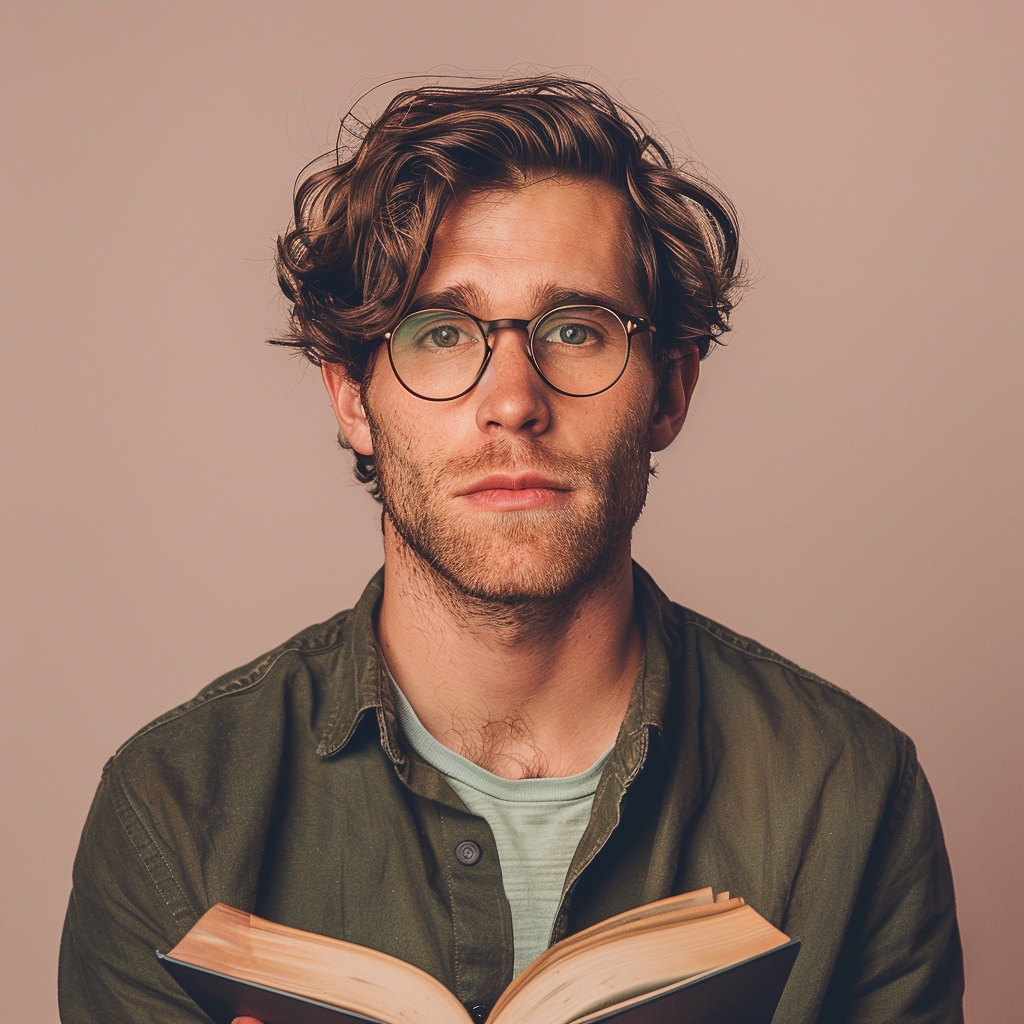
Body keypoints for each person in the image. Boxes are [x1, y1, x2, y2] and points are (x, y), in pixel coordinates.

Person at [58, 76, 964, 1024]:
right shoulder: (169, 810)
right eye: (441, 333)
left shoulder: (851, 795)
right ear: (351, 398)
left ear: (669, 390)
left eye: (576, 330)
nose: (513, 401)